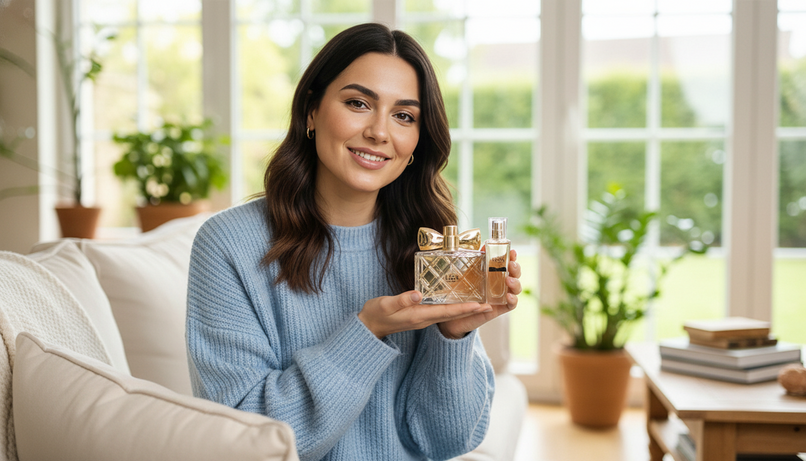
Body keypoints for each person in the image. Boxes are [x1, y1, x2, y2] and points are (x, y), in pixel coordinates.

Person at [186, 22, 522, 461]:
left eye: (404, 116)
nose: (379, 132)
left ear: (418, 140)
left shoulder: (431, 245)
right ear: (311, 110)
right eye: (358, 103)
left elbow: (448, 441)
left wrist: (452, 334)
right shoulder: (228, 245)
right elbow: (245, 441)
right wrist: (368, 331)